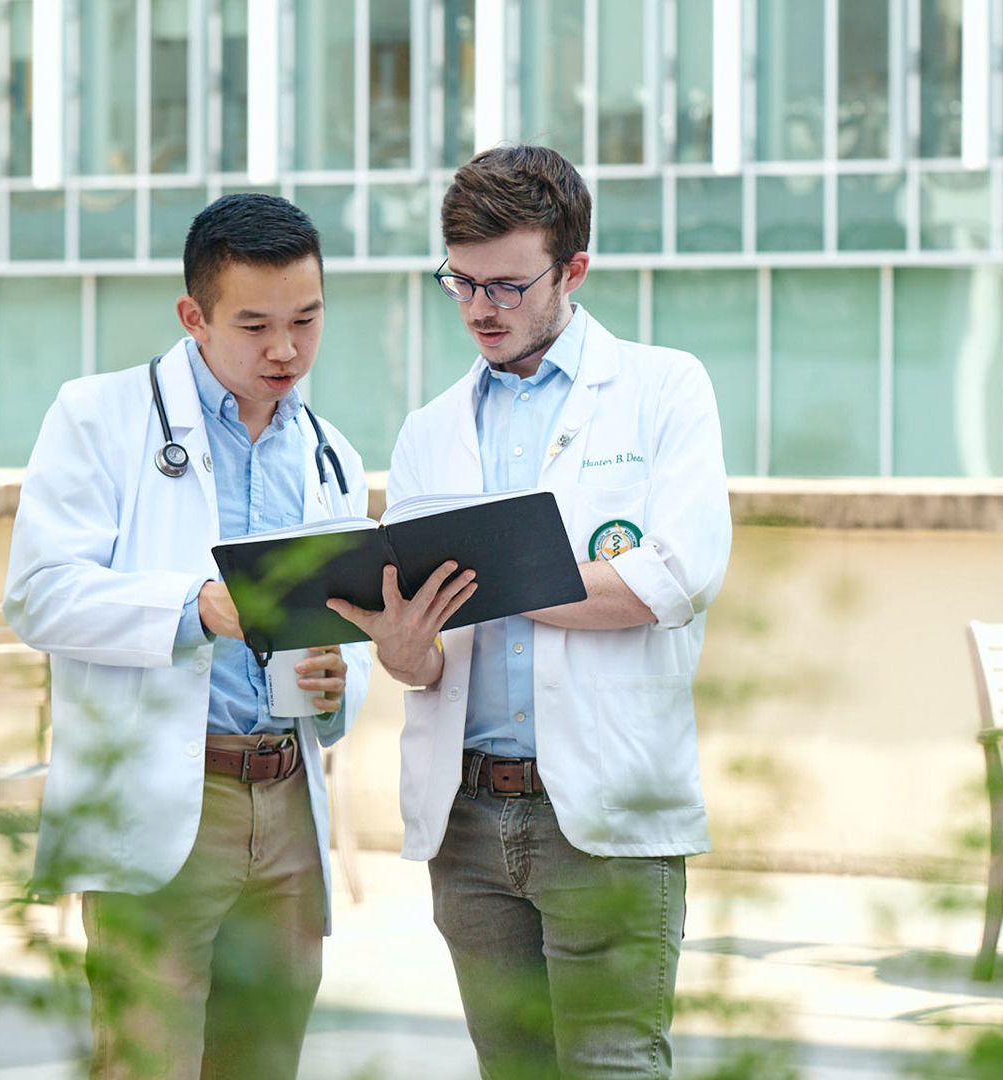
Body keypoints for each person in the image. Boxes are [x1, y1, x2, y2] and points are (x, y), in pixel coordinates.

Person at [329, 146, 732, 1079]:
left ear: (573, 271)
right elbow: (434, 656)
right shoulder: (430, 430)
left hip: (600, 815)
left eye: (507, 286)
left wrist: (498, 576)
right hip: (467, 821)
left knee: (615, 1066)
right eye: (460, 282)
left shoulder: (664, 391)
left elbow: (667, 581)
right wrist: (402, 646)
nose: (480, 310)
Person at [3, 192, 372, 1080]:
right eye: (255, 325)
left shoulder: (333, 457)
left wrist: (336, 685)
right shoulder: (100, 418)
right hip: (169, 806)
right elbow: (39, 595)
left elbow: (348, 637)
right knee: (146, 1063)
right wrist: (195, 607)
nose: (286, 349)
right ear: (194, 318)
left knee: (264, 1063)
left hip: (286, 800)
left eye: (307, 320)